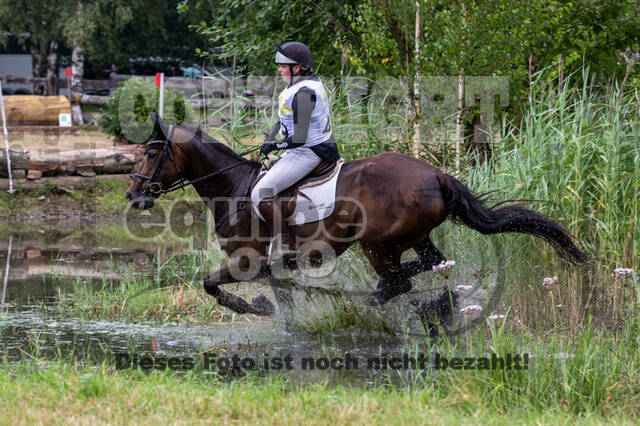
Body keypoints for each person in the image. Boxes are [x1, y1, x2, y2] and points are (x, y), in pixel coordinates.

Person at [251, 41, 340, 263]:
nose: (279, 69)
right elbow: (286, 119)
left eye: (283, 65)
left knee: (260, 193)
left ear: (298, 67)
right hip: (300, 149)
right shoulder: (300, 85)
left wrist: (275, 146)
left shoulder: (304, 93)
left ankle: (286, 246)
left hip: (307, 152)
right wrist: (271, 136)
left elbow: (299, 137)